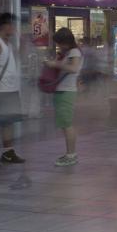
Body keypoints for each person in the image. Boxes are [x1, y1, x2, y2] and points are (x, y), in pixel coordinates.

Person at [0, 13, 25, 167]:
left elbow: (18, 59)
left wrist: (22, 42)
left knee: (8, 123)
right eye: (13, 25)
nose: (15, 28)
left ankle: (8, 153)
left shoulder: (8, 44)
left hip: (10, 90)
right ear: (5, 26)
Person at [46, 28, 83, 167]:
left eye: (59, 43)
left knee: (67, 124)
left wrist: (55, 64)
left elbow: (74, 68)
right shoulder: (69, 53)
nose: (58, 46)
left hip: (67, 91)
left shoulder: (74, 52)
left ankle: (71, 155)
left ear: (66, 41)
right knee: (65, 124)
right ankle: (69, 153)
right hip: (62, 90)